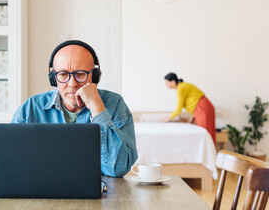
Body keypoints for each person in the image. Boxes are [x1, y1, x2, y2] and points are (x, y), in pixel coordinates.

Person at [11, 40, 138, 177]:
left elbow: (118, 168)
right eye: (63, 74)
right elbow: (11, 160)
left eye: (81, 74)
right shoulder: (31, 108)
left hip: (101, 194)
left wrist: (98, 110)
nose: (72, 84)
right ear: (54, 77)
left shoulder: (115, 104)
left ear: (94, 76)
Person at [163, 72, 216, 145]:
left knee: (204, 132)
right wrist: (193, 117)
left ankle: (208, 154)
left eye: (166, 82)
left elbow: (178, 109)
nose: (166, 85)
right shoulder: (183, 86)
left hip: (203, 107)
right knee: (206, 132)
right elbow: (194, 100)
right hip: (202, 108)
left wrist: (167, 119)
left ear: (172, 82)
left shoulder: (181, 88)